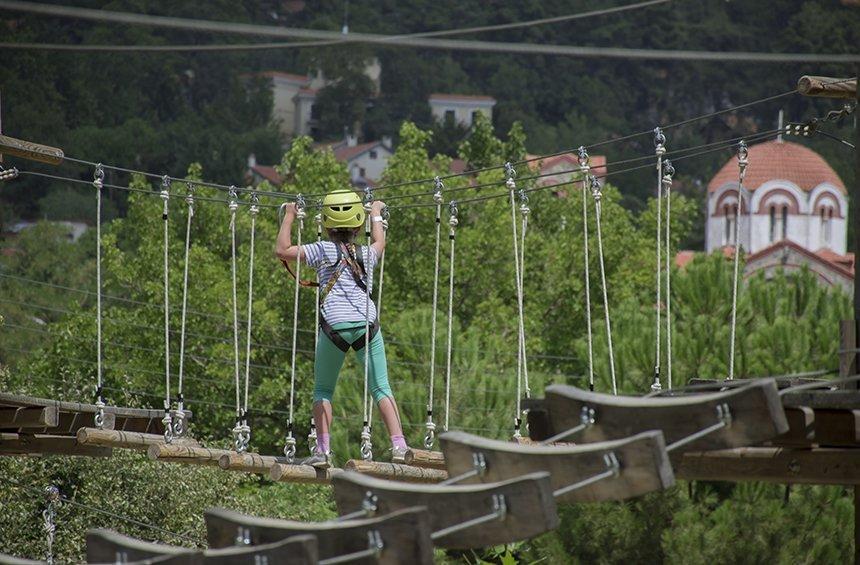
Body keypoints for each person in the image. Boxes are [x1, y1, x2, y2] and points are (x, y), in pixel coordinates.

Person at [276, 189, 408, 468]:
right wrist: (376, 214)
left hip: (334, 326)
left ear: (325, 224)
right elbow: (380, 242)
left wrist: (288, 217)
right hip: (366, 325)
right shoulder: (367, 254)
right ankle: (399, 445)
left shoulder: (321, 250)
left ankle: (323, 452)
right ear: (358, 225)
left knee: (323, 390)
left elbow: (282, 251)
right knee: (381, 387)